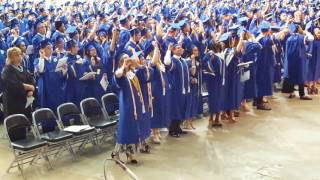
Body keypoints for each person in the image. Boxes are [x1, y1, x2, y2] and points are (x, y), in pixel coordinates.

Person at [111, 54, 145, 164]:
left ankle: (130, 153)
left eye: (128, 59)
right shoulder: (120, 75)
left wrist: (136, 64)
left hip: (135, 106)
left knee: (133, 129)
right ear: (121, 62)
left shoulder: (132, 74)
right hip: (126, 106)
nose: (128, 60)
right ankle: (115, 153)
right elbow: (118, 74)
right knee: (124, 130)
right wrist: (123, 66)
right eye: (125, 59)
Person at [1, 47, 35, 119]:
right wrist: (29, 87)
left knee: (26, 123)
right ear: (11, 58)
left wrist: (31, 90)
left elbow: (31, 80)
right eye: (17, 55)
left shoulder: (22, 68)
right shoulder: (7, 70)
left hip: (25, 101)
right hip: (13, 103)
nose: (20, 56)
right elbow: (14, 85)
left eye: (20, 54)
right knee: (16, 125)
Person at [164, 43, 190, 138]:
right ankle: (172, 130)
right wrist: (168, 50)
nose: (180, 49)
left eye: (181, 47)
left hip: (184, 90)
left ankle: (178, 127)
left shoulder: (183, 61)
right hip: (175, 90)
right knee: (175, 110)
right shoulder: (173, 60)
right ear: (174, 51)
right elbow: (166, 63)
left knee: (181, 108)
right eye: (178, 48)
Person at [284, 23, 313, 100]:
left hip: (290, 60)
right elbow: (311, 38)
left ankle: (291, 93)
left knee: (292, 75)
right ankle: (302, 94)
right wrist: (305, 32)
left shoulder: (289, 39)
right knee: (301, 76)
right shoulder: (302, 37)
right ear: (298, 29)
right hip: (300, 61)